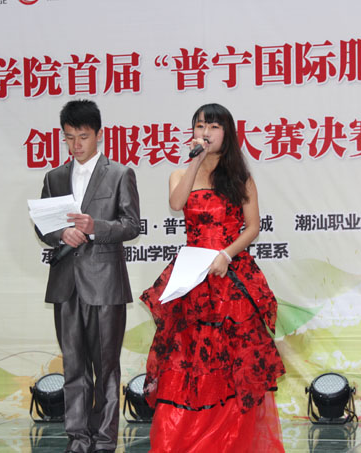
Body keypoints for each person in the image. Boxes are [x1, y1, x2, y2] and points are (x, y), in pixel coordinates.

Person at [141, 103, 286, 452]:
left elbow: (252, 227)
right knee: (185, 361)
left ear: (227, 134)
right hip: (191, 279)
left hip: (229, 276)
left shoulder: (239, 178)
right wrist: (195, 160)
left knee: (230, 364)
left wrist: (226, 255)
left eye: (214, 127)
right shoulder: (180, 173)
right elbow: (177, 203)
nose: (206, 132)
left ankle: (229, 443)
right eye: (200, 126)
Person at [35, 99, 140, 453]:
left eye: (83, 136)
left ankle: (105, 441)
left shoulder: (119, 173)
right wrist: (60, 234)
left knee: (106, 368)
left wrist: (96, 228)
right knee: (74, 367)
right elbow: (43, 225)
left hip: (106, 284)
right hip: (66, 284)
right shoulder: (54, 177)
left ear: (99, 135)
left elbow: (131, 225)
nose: (76, 144)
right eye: (69, 137)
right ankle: (78, 440)